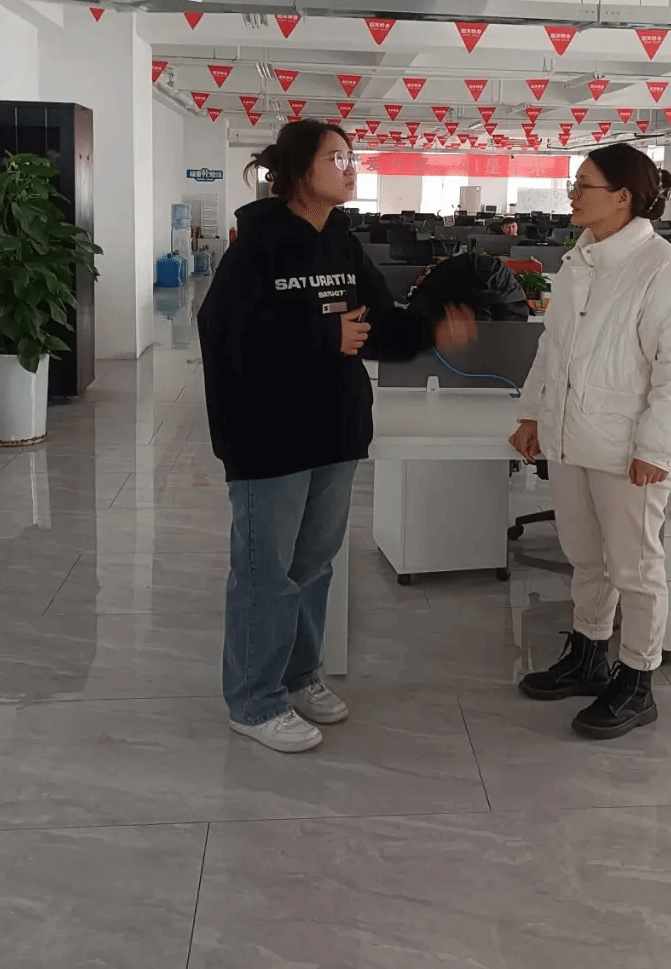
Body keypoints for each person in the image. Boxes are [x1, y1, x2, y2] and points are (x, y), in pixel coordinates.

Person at [198, 121, 475, 754]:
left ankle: (300, 677)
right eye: (338, 158)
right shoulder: (258, 245)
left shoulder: (341, 243)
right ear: (299, 172)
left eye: (352, 158)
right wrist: (323, 337)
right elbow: (224, 334)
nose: (351, 168)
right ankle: (254, 701)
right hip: (269, 436)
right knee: (265, 574)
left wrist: (430, 329)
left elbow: (377, 326)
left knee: (313, 566)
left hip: (335, 429)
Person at [510, 145, 671, 741]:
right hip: (571, 437)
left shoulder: (662, 270)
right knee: (586, 556)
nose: (572, 195)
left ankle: (638, 678)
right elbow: (552, 348)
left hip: (628, 449)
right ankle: (588, 654)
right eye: (574, 184)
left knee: (635, 568)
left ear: (622, 198)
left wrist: (658, 448)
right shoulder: (580, 259)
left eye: (584, 186)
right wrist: (532, 413)